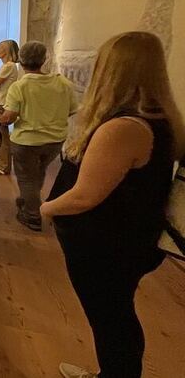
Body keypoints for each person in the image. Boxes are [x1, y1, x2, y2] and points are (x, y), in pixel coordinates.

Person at [41, 32, 185, 378]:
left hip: (107, 246)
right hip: (127, 240)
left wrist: (46, 208)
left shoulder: (123, 128)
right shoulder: (161, 119)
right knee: (115, 315)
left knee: (111, 321)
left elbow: (85, 195)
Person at [0, 42, 77, 232]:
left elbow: (9, 118)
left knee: (26, 178)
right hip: (55, 141)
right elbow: (71, 110)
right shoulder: (63, 83)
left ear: (22, 61)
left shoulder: (20, 87)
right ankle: (28, 200)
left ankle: (32, 215)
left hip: (27, 141)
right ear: (44, 59)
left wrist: (0, 116)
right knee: (38, 172)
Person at [0, 39, 20, 175]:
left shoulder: (8, 66)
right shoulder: (6, 66)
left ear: (6, 51)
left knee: (1, 135)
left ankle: (3, 165)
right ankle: (0, 163)